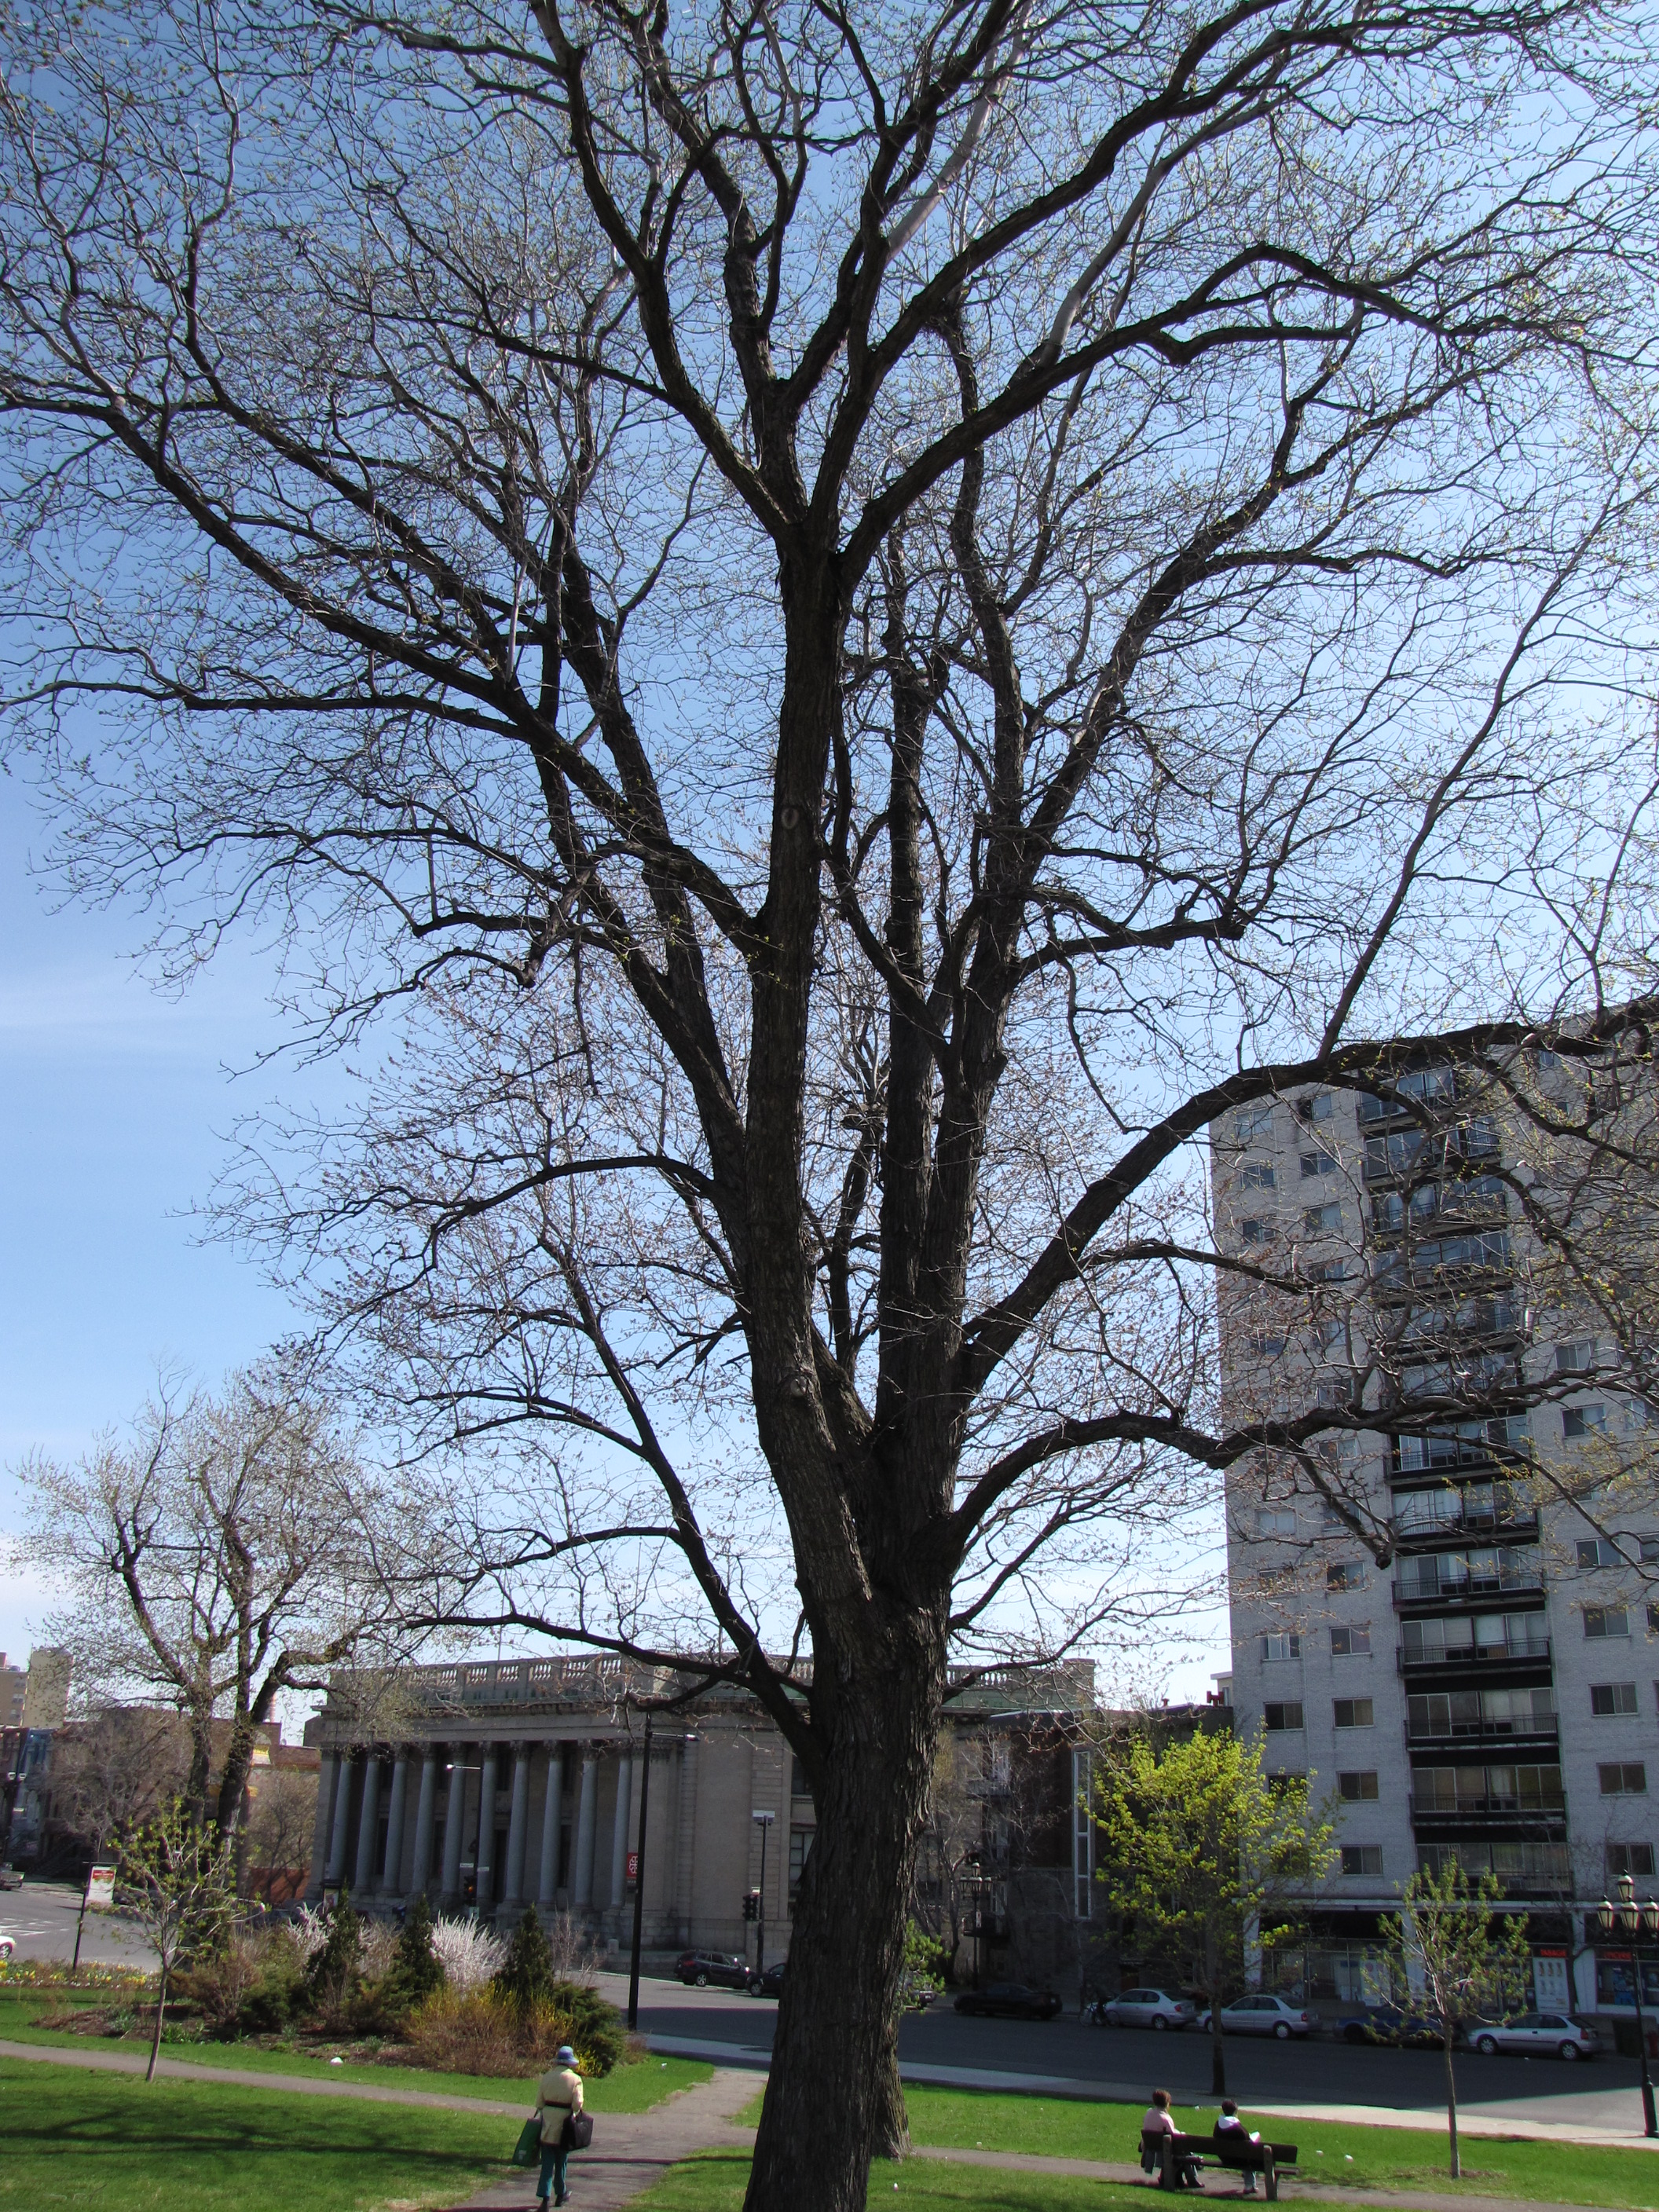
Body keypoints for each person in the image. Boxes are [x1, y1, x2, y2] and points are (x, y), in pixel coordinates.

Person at [533, 2042, 584, 2209]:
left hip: (548, 2123)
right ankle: (561, 2193)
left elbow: (539, 2103)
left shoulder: (547, 2077)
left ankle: (544, 2198)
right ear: (570, 2062)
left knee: (547, 2162)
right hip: (565, 2126)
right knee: (562, 2161)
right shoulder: (576, 2080)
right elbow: (577, 2105)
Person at [1141, 2089, 1199, 2188]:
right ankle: (1192, 2180)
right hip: (1164, 2149)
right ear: (1167, 2103)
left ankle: (1182, 2180)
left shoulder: (1149, 2113)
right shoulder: (1166, 2118)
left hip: (1151, 2148)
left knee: (1185, 2154)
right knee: (1185, 2154)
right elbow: (1174, 2137)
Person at [1214, 2097, 1263, 2196]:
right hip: (1239, 2159)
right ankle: (1249, 2186)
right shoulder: (1238, 2128)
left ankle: (1251, 2185)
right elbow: (1248, 2142)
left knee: (1246, 2154)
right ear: (1235, 2111)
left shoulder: (1218, 2125)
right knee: (1250, 2155)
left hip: (1224, 2157)